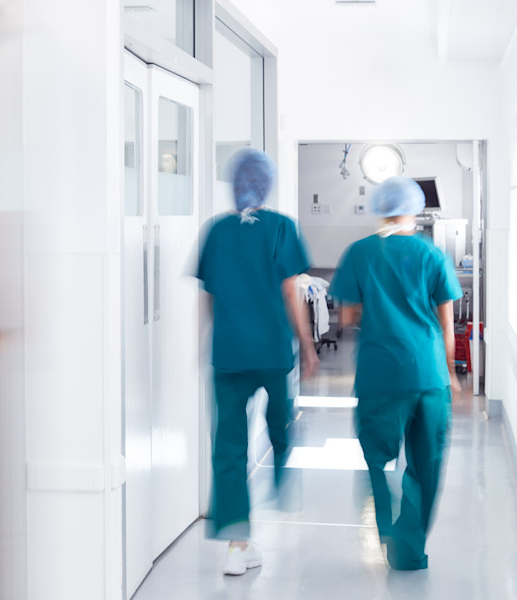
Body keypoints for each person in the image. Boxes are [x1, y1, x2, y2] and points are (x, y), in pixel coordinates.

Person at [196, 149, 319, 576]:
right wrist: (306, 343)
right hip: (270, 350)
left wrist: (203, 344)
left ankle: (236, 544)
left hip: (229, 354)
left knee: (228, 447)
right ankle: (283, 474)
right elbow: (291, 292)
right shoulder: (282, 227)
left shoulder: (216, 231)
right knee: (281, 420)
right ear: (267, 184)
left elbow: (207, 296)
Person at [331, 175, 462, 571]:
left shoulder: (359, 252)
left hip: (380, 375)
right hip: (427, 375)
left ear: (380, 209)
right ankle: (408, 551)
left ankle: (387, 531)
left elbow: (349, 314)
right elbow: (446, 322)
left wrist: (381, 310)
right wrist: (452, 374)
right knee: (426, 464)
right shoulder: (430, 254)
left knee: (378, 461)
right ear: (414, 209)